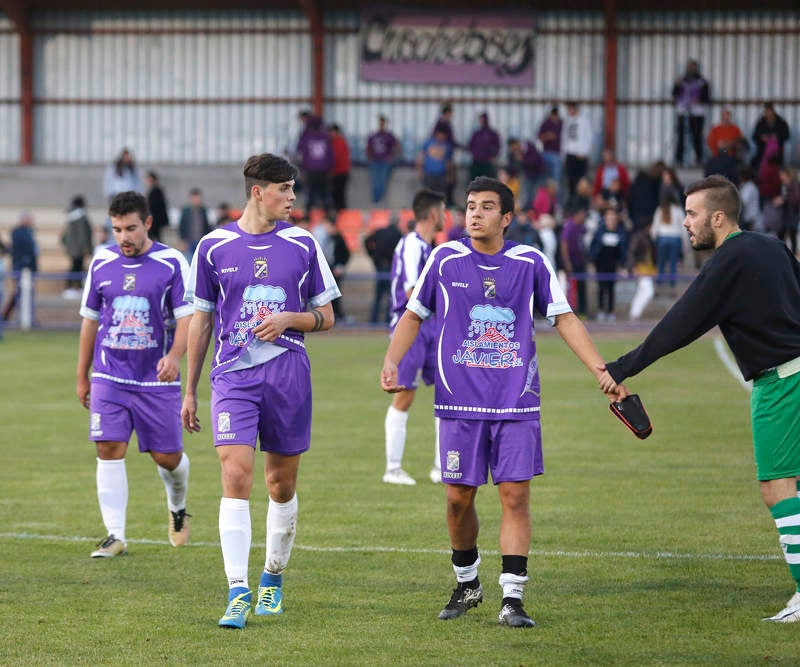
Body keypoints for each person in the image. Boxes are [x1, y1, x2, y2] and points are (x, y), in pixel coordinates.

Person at [381, 176, 620, 628]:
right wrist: (392, 360)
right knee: (457, 499)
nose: (475, 213)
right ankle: (468, 582)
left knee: (515, 495)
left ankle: (513, 597)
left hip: (516, 400)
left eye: (487, 207)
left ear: (506, 218)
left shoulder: (530, 262)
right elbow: (414, 314)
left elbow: (564, 318)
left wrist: (600, 370)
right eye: (470, 206)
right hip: (459, 401)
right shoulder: (444, 258)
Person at [598, 175, 800, 624]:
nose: (686, 223)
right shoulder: (772, 246)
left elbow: (680, 324)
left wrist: (622, 367)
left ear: (718, 216)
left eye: (691, 214)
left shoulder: (725, 262)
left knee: (777, 488)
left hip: (782, 384)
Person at [181, 153, 340, 629]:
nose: (292, 198)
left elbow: (328, 317)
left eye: (293, 190)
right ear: (258, 191)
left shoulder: (304, 244)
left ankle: (272, 576)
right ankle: (237, 590)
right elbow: (201, 321)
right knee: (236, 477)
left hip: (289, 374)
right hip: (233, 377)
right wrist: (190, 390)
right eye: (285, 189)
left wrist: (291, 319)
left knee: (280, 484)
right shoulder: (212, 247)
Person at [76, 191, 192, 559]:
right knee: (108, 447)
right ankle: (115, 535)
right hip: (109, 375)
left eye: (130, 228)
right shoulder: (101, 261)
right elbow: (89, 322)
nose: (123, 237)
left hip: (156, 379)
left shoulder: (172, 262)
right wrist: (83, 376)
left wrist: (175, 356)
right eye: (116, 230)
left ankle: (178, 506)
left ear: (147, 224)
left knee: (167, 458)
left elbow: (189, 317)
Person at [383, 189, 446, 486]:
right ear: (433, 214)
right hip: (411, 326)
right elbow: (411, 292)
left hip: (432, 325)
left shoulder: (428, 247)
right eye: (444, 210)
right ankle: (392, 468)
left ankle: (440, 466)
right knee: (404, 394)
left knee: (447, 394)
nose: (448, 216)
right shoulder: (411, 245)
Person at [590, 207, 627, 322]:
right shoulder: (599, 231)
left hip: (613, 265)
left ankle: (610, 312)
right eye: (608, 215)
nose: (611, 218)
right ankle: (601, 310)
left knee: (611, 288)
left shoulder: (620, 232)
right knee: (601, 287)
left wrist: (622, 265)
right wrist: (592, 261)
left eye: (613, 215)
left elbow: (623, 250)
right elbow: (593, 247)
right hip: (601, 264)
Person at [364, 216, 403, 325]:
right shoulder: (397, 233)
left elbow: (366, 240)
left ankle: (374, 320)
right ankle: (387, 321)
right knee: (390, 296)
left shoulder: (380, 231)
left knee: (378, 296)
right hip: (390, 268)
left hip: (380, 266)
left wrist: (373, 256)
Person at [671, 59, 710, 166]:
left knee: (697, 135)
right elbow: (674, 94)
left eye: (693, 67)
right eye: (689, 67)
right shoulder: (681, 81)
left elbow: (707, 98)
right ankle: (679, 159)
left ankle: (698, 158)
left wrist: (699, 100)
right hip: (683, 112)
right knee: (681, 136)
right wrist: (676, 85)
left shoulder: (702, 81)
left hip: (697, 113)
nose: (691, 69)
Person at [2, 212, 38, 322]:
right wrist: (25, 263)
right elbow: (19, 250)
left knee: (25, 293)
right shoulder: (17, 232)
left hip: (28, 268)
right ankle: (8, 316)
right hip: (21, 267)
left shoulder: (30, 231)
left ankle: (25, 318)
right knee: (19, 292)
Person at [296, 115, 333, 211]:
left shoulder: (306, 137)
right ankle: (327, 214)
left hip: (310, 169)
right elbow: (330, 154)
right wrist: (329, 167)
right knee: (324, 193)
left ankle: (308, 215)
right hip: (323, 169)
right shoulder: (325, 137)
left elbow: (300, 150)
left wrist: (302, 167)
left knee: (309, 193)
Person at [317, 214, 350, 320]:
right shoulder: (328, 238)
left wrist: (340, 266)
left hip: (336, 271)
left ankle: (338, 315)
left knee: (335, 295)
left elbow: (346, 254)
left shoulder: (339, 238)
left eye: (326, 225)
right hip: (329, 270)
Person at [651, 191, 686, 289]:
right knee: (673, 263)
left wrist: (653, 238)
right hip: (675, 238)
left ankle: (659, 284)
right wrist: (686, 242)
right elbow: (683, 226)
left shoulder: (660, 209)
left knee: (661, 263)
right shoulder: (678, 210)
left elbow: (655, 226)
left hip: (662, 238)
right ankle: (672, 285)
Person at [61, 195, 93, 297]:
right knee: (76, 267)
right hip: (79, 249)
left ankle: (75, 287)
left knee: (76, 267)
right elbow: (82, 234)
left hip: (72, 248)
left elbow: (65, 236)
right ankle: (72, 287)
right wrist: (86, 248)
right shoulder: (80, 217)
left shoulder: (71, 217)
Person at [559, 205, 588, 317]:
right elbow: (564, 244)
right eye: (583, 213)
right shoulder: (569, 226)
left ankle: (582, 311)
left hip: (580, 261)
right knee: (571, 288)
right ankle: (572, 311)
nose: (584, 216)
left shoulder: (581, 226)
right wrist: (567, 262)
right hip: (572, 263)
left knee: (582, 287)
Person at [561, 101, 593, 199]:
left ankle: (581, 200)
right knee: (570, 180)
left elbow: (589, 136)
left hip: (580, 155)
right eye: (568, 109)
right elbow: (564, 138)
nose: (570, 111)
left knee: (581, 180)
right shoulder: (567, 121)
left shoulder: (584, 120)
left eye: (571, 109)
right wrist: (564, 155)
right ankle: (572, 201)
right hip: (570, 154)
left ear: (576, 109)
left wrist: (585, 152)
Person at [366, 115, 400, 205]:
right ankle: (376, 201)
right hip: (375, 161)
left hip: (385, 161)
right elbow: (368, 147)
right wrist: (369, 158)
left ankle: (380, 201)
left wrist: (392, 157)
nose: (381, 124)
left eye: (383, 122)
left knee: (383, 182)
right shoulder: (373, 135)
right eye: (380, 122)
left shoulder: (389, 136)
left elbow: (397, 146)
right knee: (375, 182)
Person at [752, 102, 791, 169]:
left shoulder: (781, 122)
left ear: (773, 111)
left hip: (777, 155)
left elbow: (787, 135)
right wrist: (761, 138)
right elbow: (754, 136)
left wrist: (777, 137)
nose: (768, 113)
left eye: (769, 111)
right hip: (762, 154)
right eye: (766, 111)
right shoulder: (760, 123)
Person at [417, 126, 453, 197]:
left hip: (441, 175)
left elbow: (448, 162)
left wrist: (449, 175)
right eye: (441, 135)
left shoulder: (447, 146)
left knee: (440, 196)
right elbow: (421, 157)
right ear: (437, 134)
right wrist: (419, 170)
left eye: (444, 136)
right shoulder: (428, 143)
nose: (442, 137)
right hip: (428, 174)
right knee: (428, 196)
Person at [178, 188, 211, 263]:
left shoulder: (203, 210)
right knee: (189, 261)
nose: (196, 200)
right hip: (189, 241)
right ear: (190, 198)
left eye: (198, 198)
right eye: (194, 198)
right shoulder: (185, 211)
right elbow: (181, 226)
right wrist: (182, 241)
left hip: (200, 241)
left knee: (200, 262)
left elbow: (207, 226)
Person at [468, 112, 500, 180]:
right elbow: (471, 145)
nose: (481, 121)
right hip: (476, 162)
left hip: (488, 163)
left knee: (490, 183)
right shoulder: (476, 133)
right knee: (474, 183)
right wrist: (474, 154)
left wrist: (494, 156)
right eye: (480, 120)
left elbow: (497, 146)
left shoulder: (492, 133)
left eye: (482, 119)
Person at [537, 106, 563, 185]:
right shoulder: (545, 124)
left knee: (556, 178)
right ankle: (544, 196)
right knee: (545, 178)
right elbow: (539, 137)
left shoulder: (562, 124)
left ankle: (555, 197)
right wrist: (547, 136)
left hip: (557, 154)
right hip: (546, 153)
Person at [329, 124, 351, 212]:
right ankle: (338, 211)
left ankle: (341, 212)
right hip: (336, 172)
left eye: (331, 132)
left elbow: (336, 157)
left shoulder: (340, 142)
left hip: (341, 172)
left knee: (339, 194)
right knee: (335, 194)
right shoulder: (332, 142)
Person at [145, 171, 170, 242]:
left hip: (155, 221)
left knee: (154, 238)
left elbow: (155, 207)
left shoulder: (156, 191)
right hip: (154, 220)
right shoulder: (154, 190)